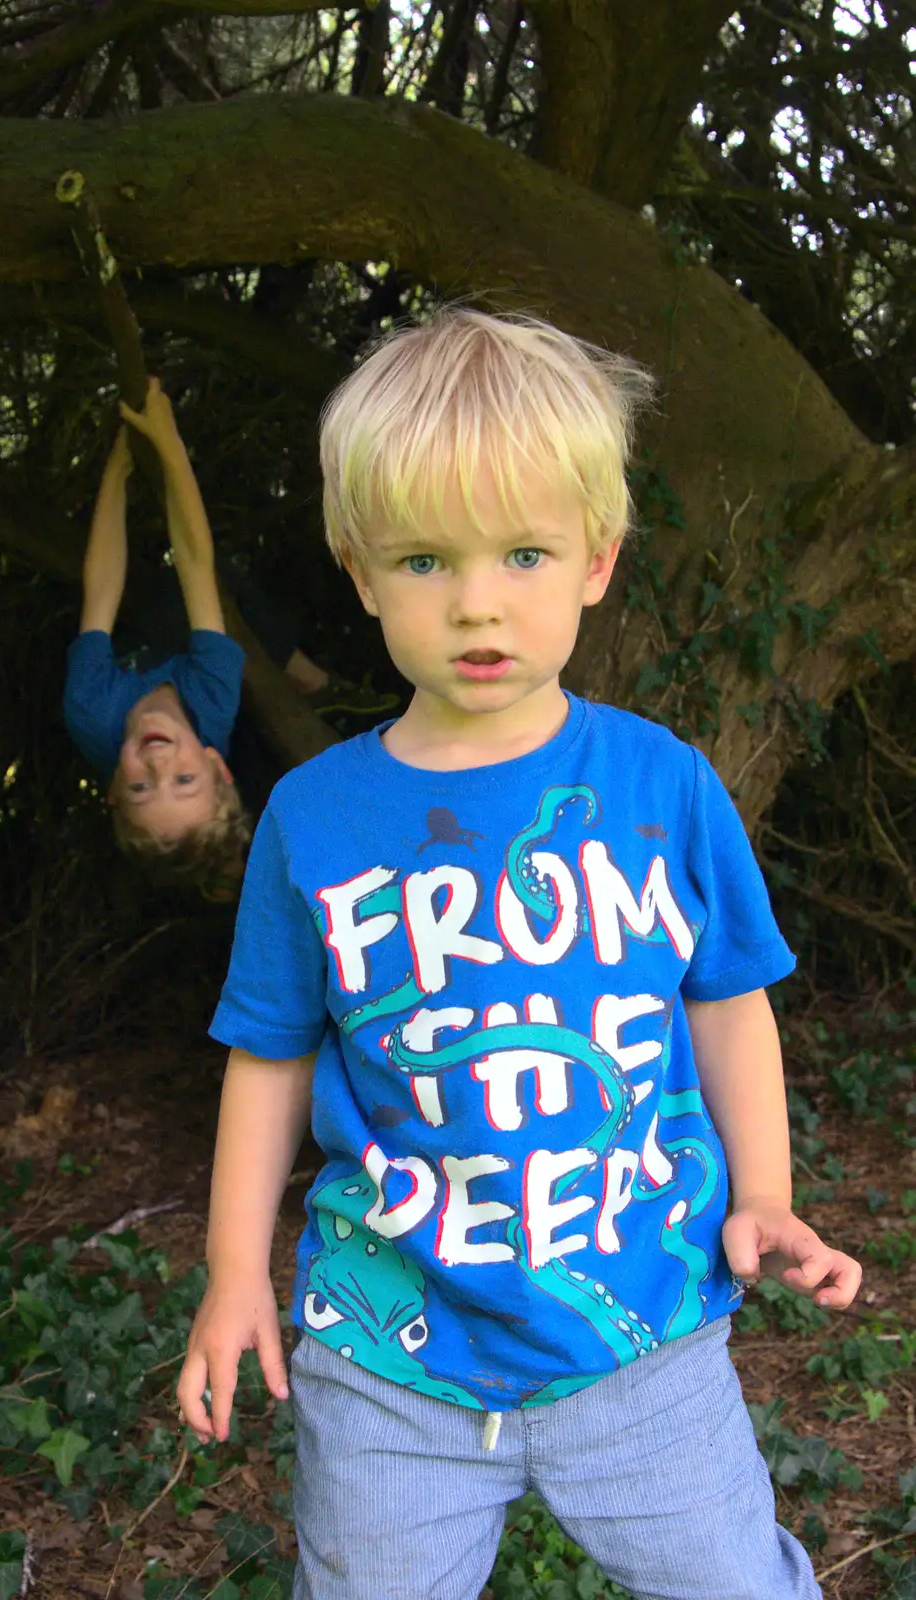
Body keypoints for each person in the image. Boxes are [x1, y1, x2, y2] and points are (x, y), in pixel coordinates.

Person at [177, 310, 862, 1600]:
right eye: (427, 558)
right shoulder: (314, 819)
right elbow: (266, 1056)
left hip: (641, 1332)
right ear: (359, 569)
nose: (478, 600)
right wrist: (230, 1273)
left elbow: (727, 1000)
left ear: (598, 559)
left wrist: (761, 1192)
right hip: (392, 1360)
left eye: (525, 551)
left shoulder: (662, 787)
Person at [63, 379, 251, 889]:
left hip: (133, 635)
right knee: (227, 580)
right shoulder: (213, 699)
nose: (158, 760)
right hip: (175, 636)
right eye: (184, 780)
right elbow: (195, 563)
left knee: (143, 604)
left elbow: (101, 585)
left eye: (142, 786)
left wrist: (121, 465)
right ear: (217, 764)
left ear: (112, 790)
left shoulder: (89, 707)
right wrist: (166, 442)